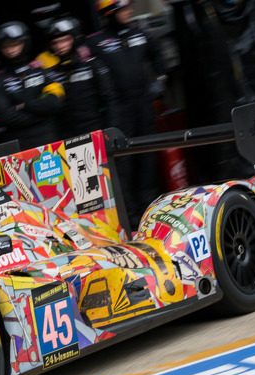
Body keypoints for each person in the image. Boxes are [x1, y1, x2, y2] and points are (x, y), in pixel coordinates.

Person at [88, 0, 167, 224]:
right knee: (124, 165)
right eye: (123, 9)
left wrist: (160, 79)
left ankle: (151, 212)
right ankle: (130, 218)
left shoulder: (140, 33)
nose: (129, 12)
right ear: (110, 13)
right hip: (118, 112)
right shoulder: (96, 43)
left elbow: (158, 55)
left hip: (143, 107)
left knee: (148, 159)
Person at [0, 21, 65, 151]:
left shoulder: (42, 70)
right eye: (6, 46)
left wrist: (24, 106)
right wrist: (44, 112)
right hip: (19, 146)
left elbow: (55, 103)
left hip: (50, 140)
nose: (11, 49)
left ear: (25, 43)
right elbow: (6, 117)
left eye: (15, 44)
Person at [38, 15, 118, 138]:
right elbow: (49, 112)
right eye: (56, 42)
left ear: (74, 39)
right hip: (67, 136)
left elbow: (110, 99)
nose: (60, 46)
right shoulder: (50, 75)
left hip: (95, 131)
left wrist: (110, 129)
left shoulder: (93, 65)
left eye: (65, 40)